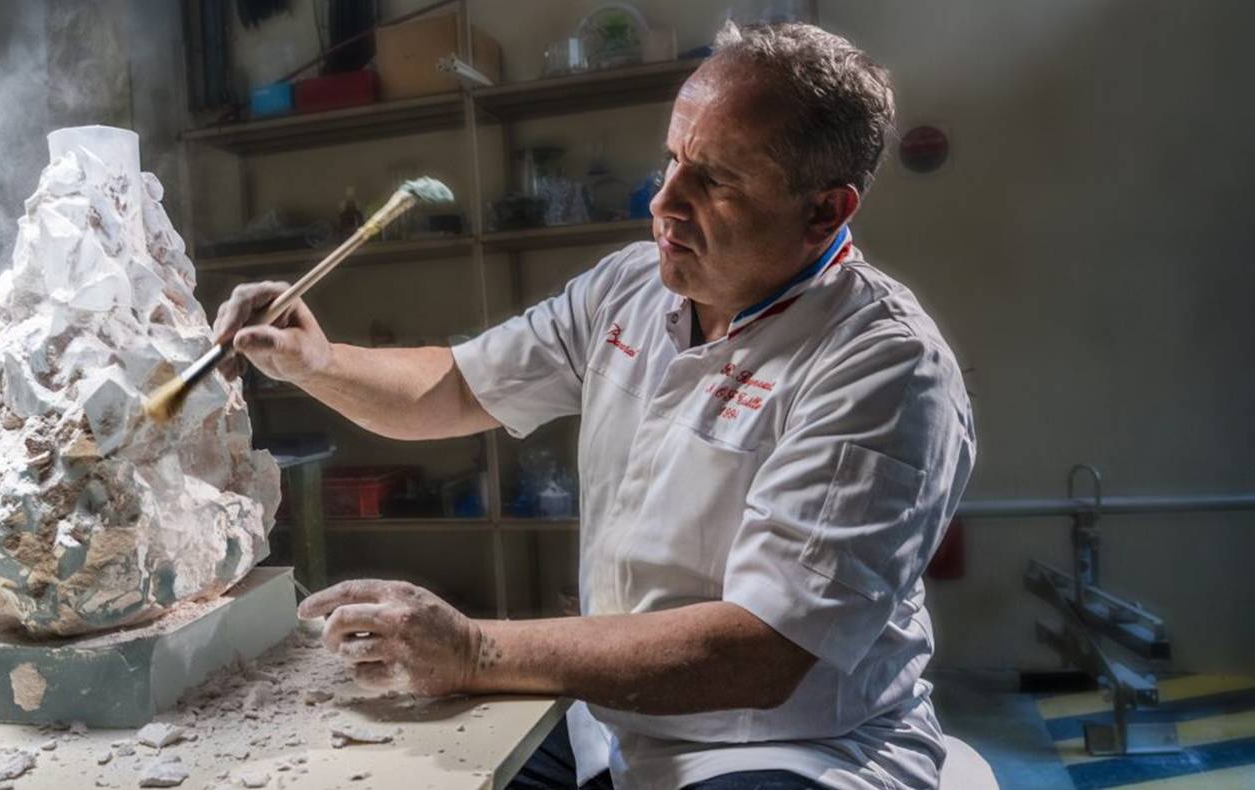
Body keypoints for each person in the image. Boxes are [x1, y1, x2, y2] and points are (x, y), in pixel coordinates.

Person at [210, 21, 974, 790]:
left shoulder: (883, 366)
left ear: (825, 212)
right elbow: (455, 388)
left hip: (788, 743)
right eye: (673, 160)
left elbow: (762, 650)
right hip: (614, 718)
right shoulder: (631, 286)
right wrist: (317, 361)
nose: (664, 201)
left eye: (715, 182)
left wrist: (474, 651)